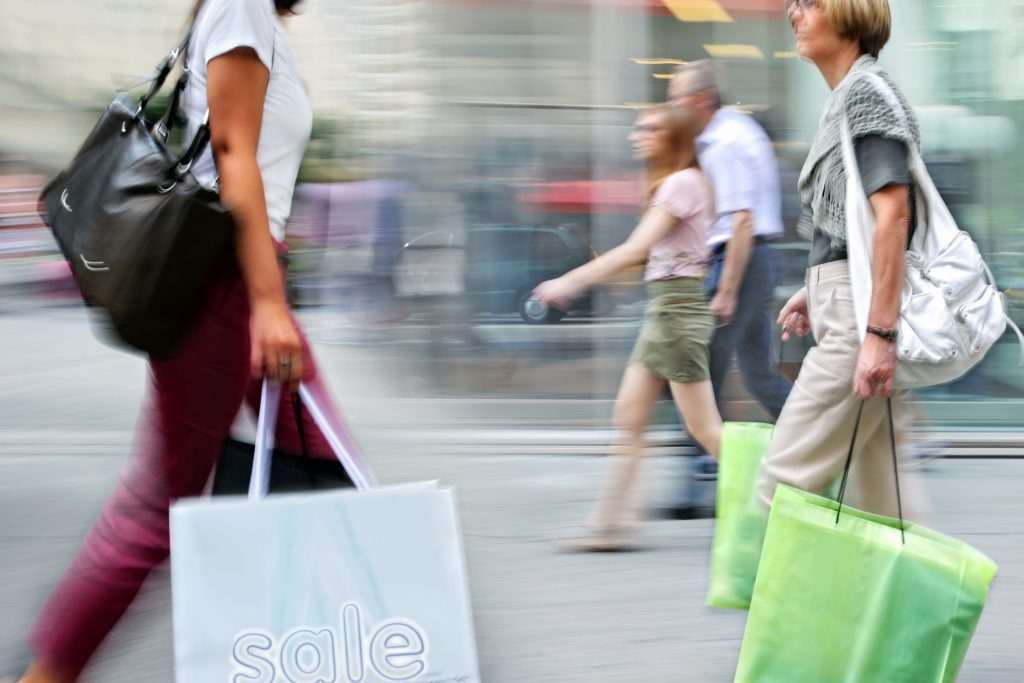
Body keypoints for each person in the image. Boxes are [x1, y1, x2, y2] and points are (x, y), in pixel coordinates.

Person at [10, 1, 351, 681]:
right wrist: (265, 300)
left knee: (332, 475)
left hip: (247, 274)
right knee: (159, 510)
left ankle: (350, 644)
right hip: (226, 279)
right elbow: (230, 150)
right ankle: (47, 672)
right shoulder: (241, 4)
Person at [534, 104, 722, 551]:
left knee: (706, 430)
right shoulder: (677, 183)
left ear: (674, 136)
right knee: (629, 417)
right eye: (638, 128)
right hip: (664, 309)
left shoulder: (682, 183)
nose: (638, 135)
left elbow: (636, 248)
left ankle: (782, 506)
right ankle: (612, 526)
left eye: (651, 129)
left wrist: (571, 281)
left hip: (676, 312)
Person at [756, 0, 919, 516]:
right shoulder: (848, 97)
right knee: (879, 504)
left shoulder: (866, 96)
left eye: (810, 4)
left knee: (779, 483)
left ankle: (766, 597)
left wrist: (879, 336)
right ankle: (895, 599)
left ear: (849, 14)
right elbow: (860, 225)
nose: (793, 14)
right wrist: (816, 285)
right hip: (851, 306)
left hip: (859, 323)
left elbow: (893, 215)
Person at [663, 60, 792, 519]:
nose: (671, 109)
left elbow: (740, 219)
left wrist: (727, 289)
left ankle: (701, 481)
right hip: (755, 260)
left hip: (740, 260)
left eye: (675, 100)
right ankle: (819, 440)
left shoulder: (724, 143)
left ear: (699, 101)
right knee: (757, 372)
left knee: (698, 375)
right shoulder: (735, 130)